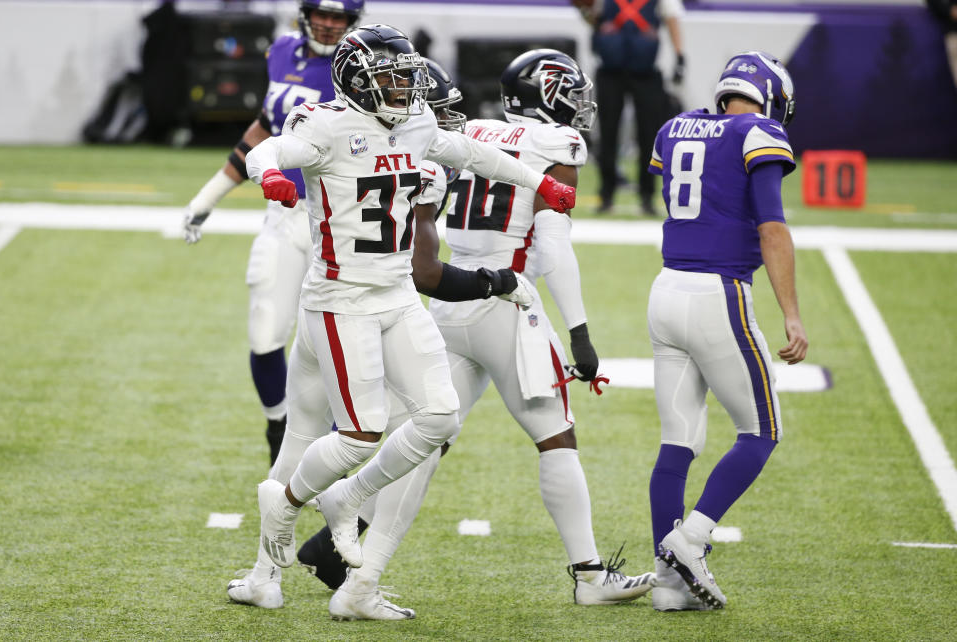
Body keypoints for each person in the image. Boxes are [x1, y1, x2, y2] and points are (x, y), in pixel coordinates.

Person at [299, 49, 656, 616]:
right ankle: (589, 576)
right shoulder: (556, 146)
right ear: (549, 93)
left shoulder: (476, 130)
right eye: (570, 93)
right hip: (507, 302)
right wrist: (581, 331)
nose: (578, 105)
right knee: (555, 438)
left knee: (425, 443)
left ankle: (359, 578)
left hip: (450, 299)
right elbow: (554, 247)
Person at [237, 24, 576, 617]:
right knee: (347, 432)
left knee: (440, 416)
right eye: (390, 78)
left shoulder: (418, 124)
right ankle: (284, 515)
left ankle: (336, 507)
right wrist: (267, 176)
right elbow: (267, 148)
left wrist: (539, 180)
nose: (404, 88)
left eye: (407, 77)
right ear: (356, 80)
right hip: (339, 299)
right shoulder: (326, 125)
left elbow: (472, 152)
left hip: (394, 296)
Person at [645, 51, 808, 611]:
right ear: (772, 95)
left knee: (677, 441)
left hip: (665, 289)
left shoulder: (673, 128)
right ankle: (690, 540)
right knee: (761, 431)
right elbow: (771, 226)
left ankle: (668, 586)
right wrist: (791, 313)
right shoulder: (759, 130)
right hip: (719, 294)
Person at [181, 0, 365, 466]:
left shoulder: (363, 66)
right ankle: (277, 426)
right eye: (320, 14)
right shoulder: (282, 51)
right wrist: (209, 196)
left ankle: (329, 450)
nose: (327, 24)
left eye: (338, 17)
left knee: (332, 341)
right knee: (265, 331)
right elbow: (265, 128)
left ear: (352, 21)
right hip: (283, 217)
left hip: (337, 222)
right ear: (304, 14)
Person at [574, 0, 685, 215]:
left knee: (648, 133)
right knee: (607, 132)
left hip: (645, 69)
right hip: (610, 68)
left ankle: (647, 195)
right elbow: (593, 18)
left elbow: (671, 17)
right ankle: (606, 194)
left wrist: (679, 56)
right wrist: (586, 11)